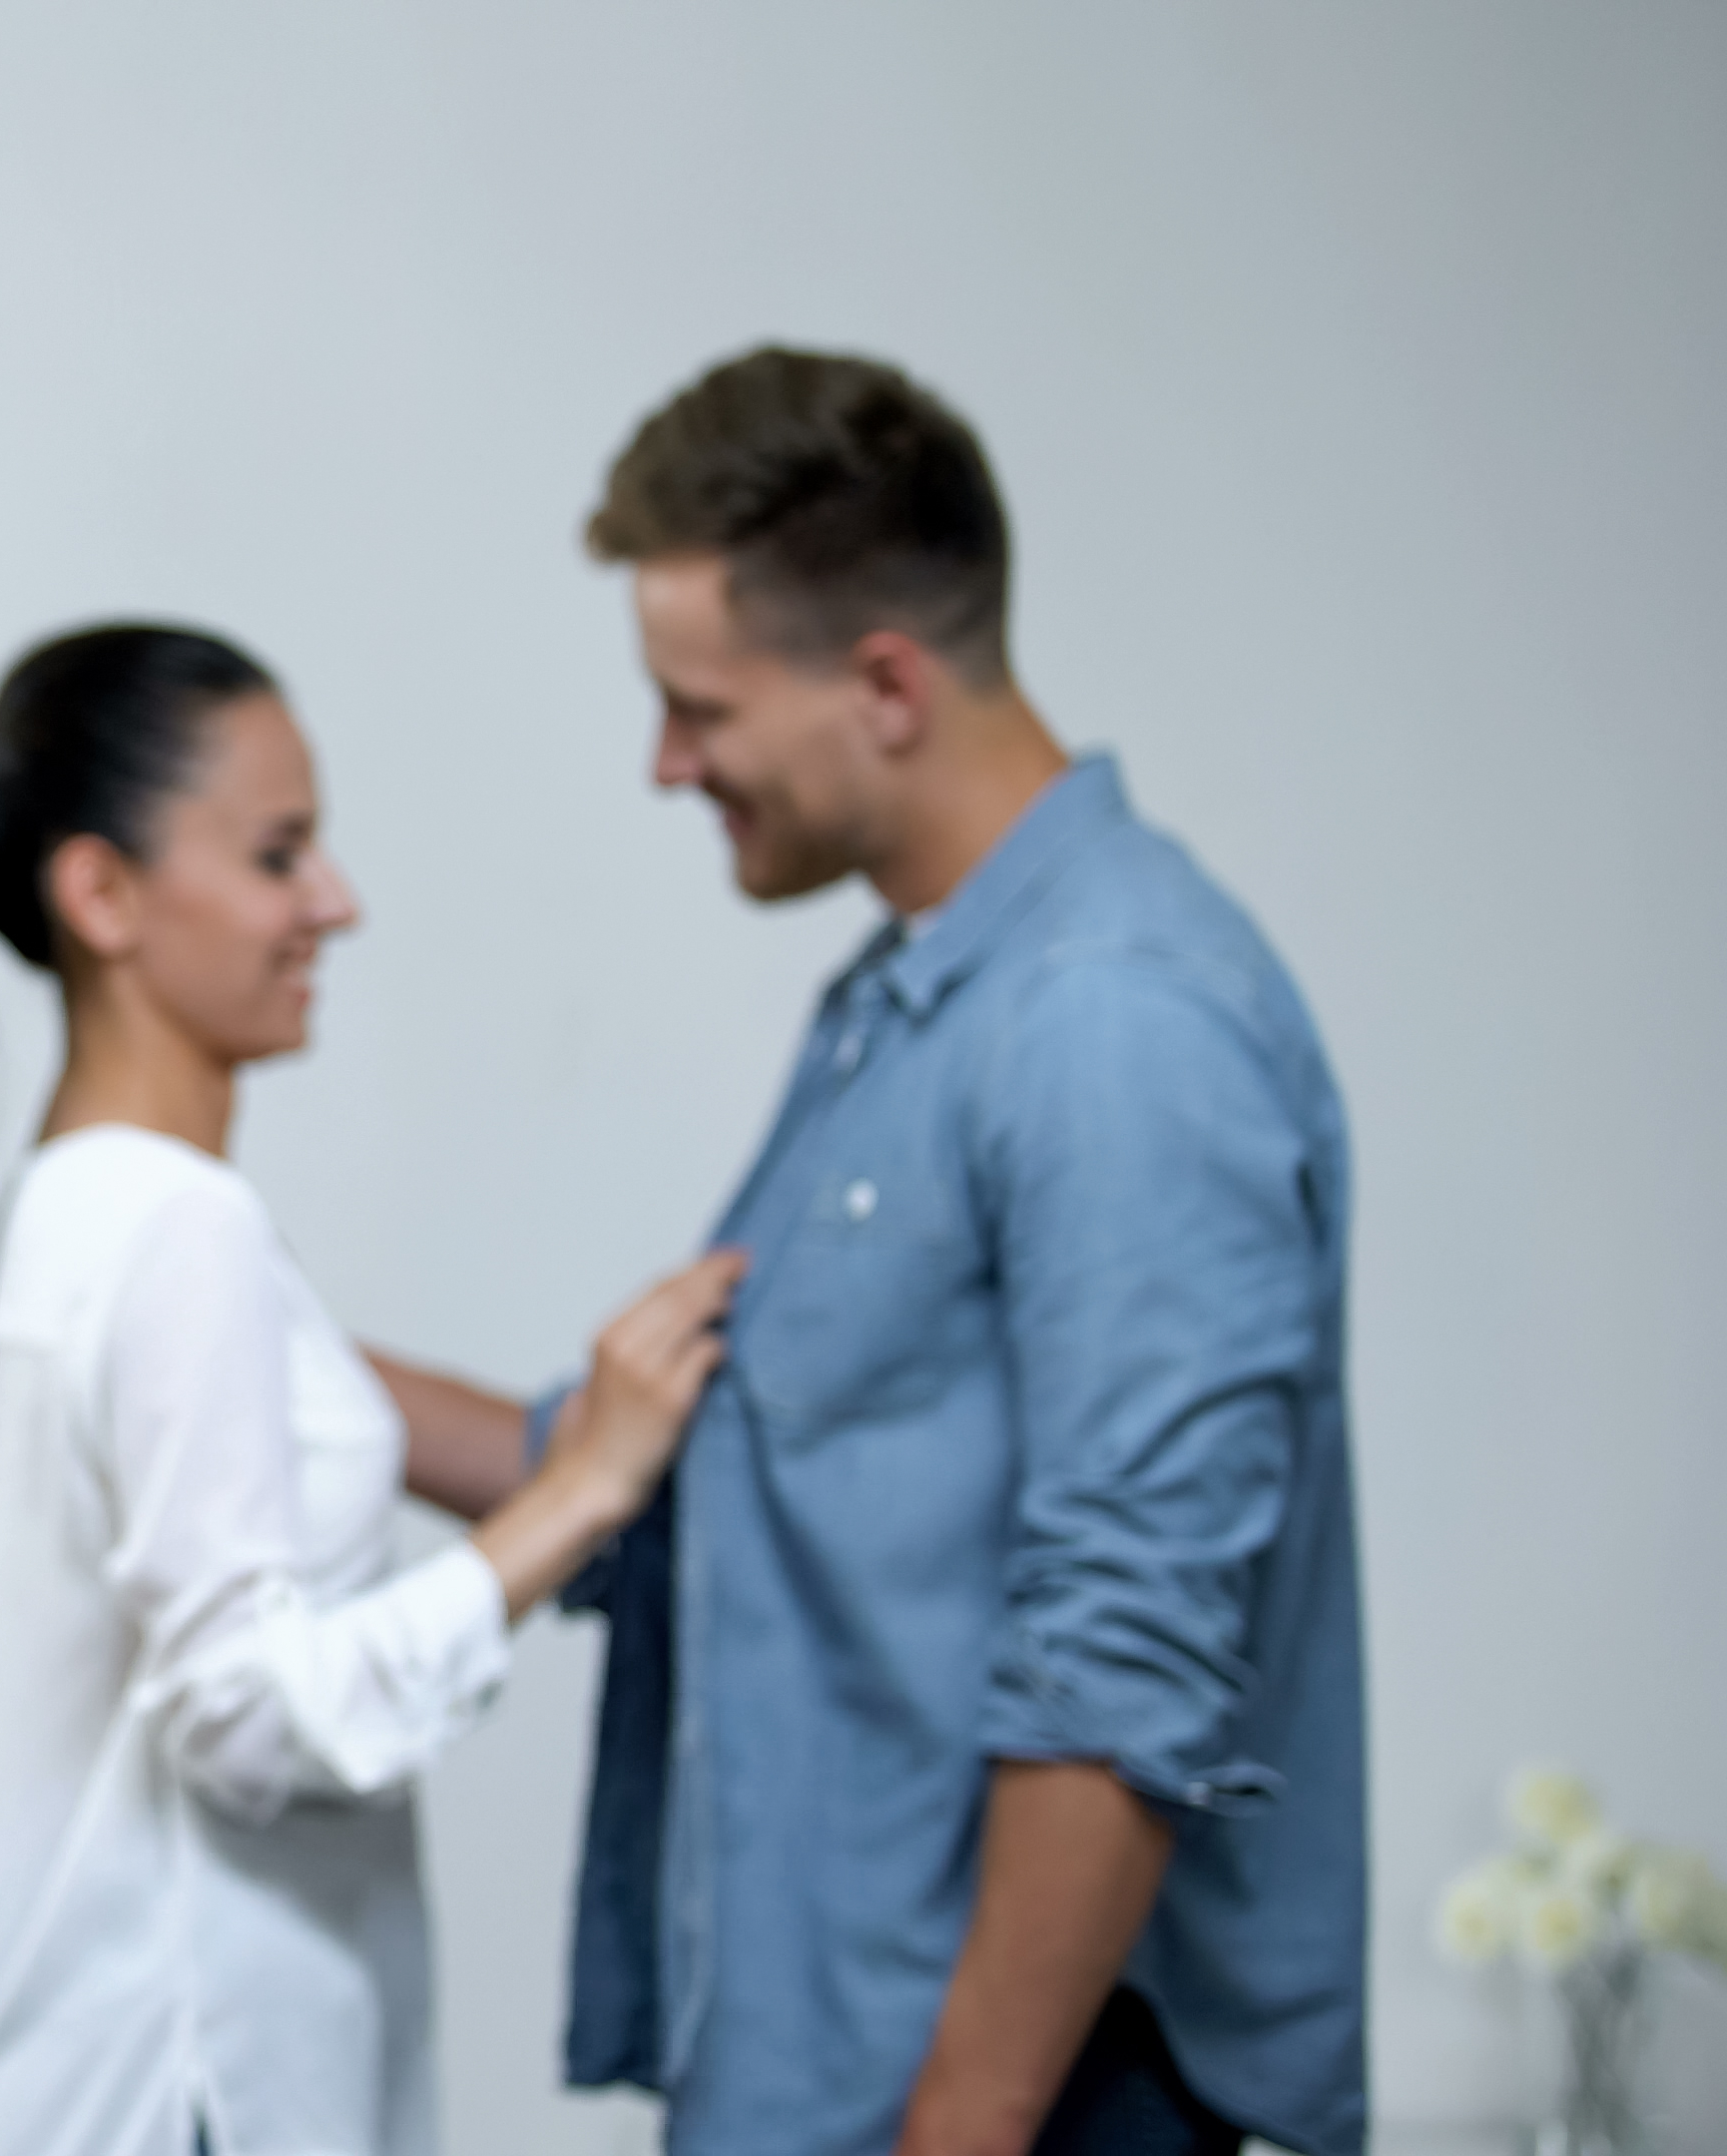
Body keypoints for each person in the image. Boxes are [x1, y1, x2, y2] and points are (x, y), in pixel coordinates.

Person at [0, 624, 743, 2156]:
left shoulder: (82, 1210)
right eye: (282, 855)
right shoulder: (176, 1231)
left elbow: (303, 1406)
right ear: (102, 895)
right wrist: (585, 1494)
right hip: (191, 2093)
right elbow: (250, 1717)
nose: (334, 902)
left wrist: (576, 1442)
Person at [544, 347, 1367, 2156]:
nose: (668, 763)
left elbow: (1127, 1650)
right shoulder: (902, 1016)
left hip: (1033, 2112)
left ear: (888, 684)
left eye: (698, 707)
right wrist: (249, 1331)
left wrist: (960, 2137)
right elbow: (700, 1457)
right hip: (842, 2087)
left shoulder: (1117, 1026)